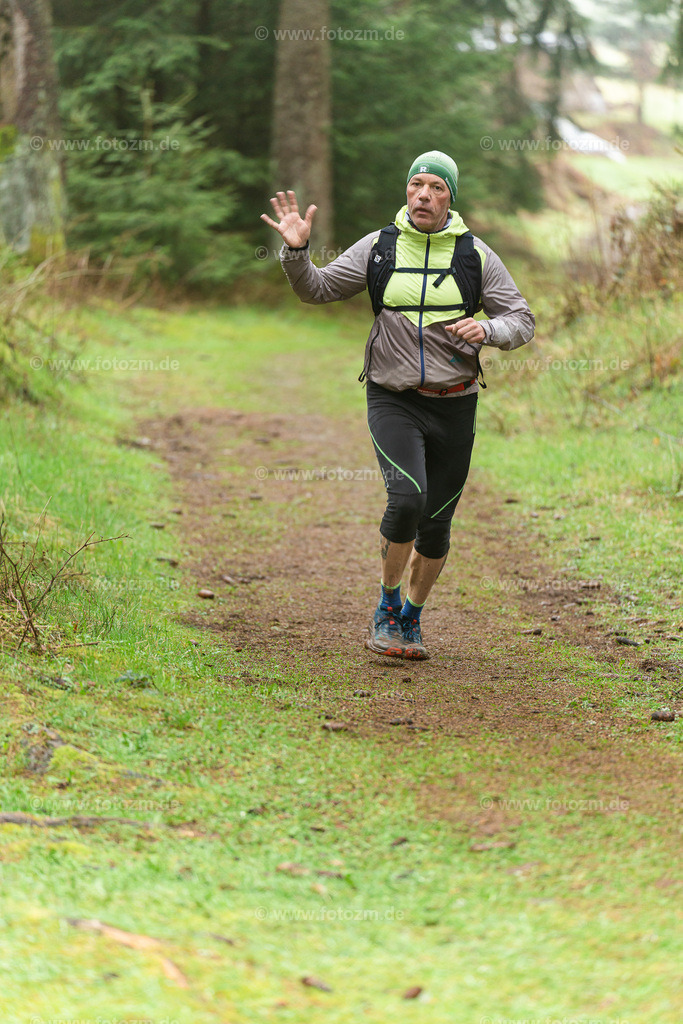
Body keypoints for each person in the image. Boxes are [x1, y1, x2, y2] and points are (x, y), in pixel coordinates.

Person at [261, 150, 535, 660]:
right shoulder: (379, 247)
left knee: (437, 521)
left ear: (451, 197)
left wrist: (489, 328)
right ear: (406, 191)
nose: (424, 195)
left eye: (436, 187)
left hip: (456, 402)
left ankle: (412, 617)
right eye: (416, 184)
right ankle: (386, 608)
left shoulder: (476, 256)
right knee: (407, 499)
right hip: (393, 396)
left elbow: (521, 319)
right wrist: (297, 253)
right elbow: (316, 290)